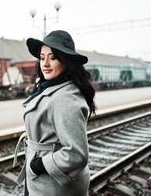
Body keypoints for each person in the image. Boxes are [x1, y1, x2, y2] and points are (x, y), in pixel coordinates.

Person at [13, 30, 96, 196]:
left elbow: (76, 153)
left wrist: (40, 165)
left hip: (53, 185)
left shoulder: (65, 98)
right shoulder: (53, 87)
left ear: (66, 61)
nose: (45, 63)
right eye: (42, 58)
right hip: (47, 183)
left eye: (53, 58)